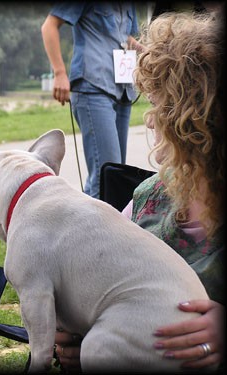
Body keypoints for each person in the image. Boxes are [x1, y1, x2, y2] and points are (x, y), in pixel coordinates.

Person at [54, 10, 225, 371]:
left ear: (198, 123)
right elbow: (95, 285)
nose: (150, 119)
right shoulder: (147, 198)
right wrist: (76, 334)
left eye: (161, 106)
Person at [41, 3, 141, 199]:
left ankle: (100, 226)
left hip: (122, 91)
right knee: (105, 175)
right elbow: (49, 26)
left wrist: (152, 52)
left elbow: (124, 38)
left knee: (117, 173)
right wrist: (59, 72)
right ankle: (94, 229)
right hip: (92, 87)